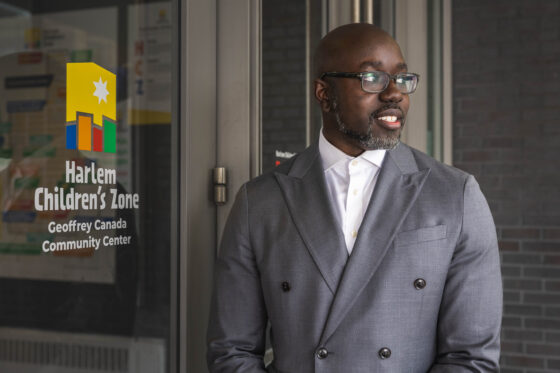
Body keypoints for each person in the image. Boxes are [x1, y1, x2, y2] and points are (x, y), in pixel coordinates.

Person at [207, 23, 502, 372]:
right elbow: (232, 352)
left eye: (402, 78)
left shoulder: (456, 195)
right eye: (373, 78)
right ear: (324, 92)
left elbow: (471, 359)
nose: (395, 93)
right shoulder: (259, 201)